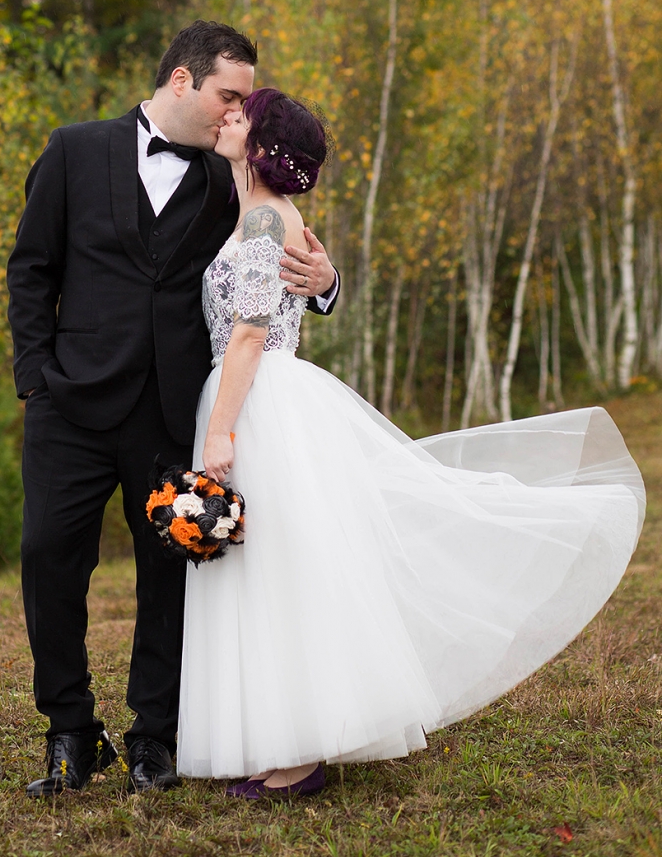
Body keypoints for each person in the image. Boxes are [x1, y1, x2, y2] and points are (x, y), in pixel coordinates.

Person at [178, 87, 645, 798]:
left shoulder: (267, 217)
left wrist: (220, 430)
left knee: (281, 568)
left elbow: (249, 331)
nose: (229, 116)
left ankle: (301, 755)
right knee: (268, 569)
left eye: (243, 113)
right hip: (258, 394)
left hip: (259, 402)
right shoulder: (258, 214)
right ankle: (284, 738)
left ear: (266, 147)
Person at [6, 23, 339, 797]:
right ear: (183, 81)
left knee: (173, 574)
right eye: (228, 93)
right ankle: (69, 732)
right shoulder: (73, 150)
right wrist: (36, 377)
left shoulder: (236, 178)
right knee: (48, 557)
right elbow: (31, 269)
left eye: (243, 103)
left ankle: (154, 737)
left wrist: (325, 281)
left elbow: (281, 259)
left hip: (173, 407)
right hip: (71, 403)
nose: (235, 112)